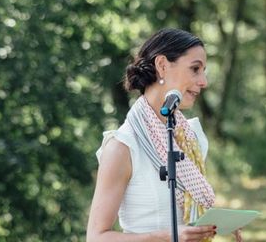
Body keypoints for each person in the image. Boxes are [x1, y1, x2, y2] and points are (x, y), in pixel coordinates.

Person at [87, 28, 243, 242]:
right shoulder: (123, 147)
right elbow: (96, 237)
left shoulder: (189, 138)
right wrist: (166, 237)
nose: (204, 81)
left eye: (203, 70)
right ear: (162, 66)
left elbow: (184, 214)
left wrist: (216, 223)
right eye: (195, 69)